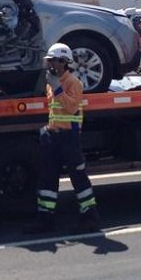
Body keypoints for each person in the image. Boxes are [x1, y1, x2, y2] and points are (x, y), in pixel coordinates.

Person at [24, 43, 101, 234]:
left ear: (63, 62)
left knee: (78, 177)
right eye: (49, 61)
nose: (50, 64)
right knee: (47, 178)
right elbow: (55, 111)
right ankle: (45, 219)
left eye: (53, 61)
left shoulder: (73, 83)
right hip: (53, 137)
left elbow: (72, 108)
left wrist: (58, 89)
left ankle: (90, 218)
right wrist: (48, 129)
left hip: (70, 138)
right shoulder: (52, 81)